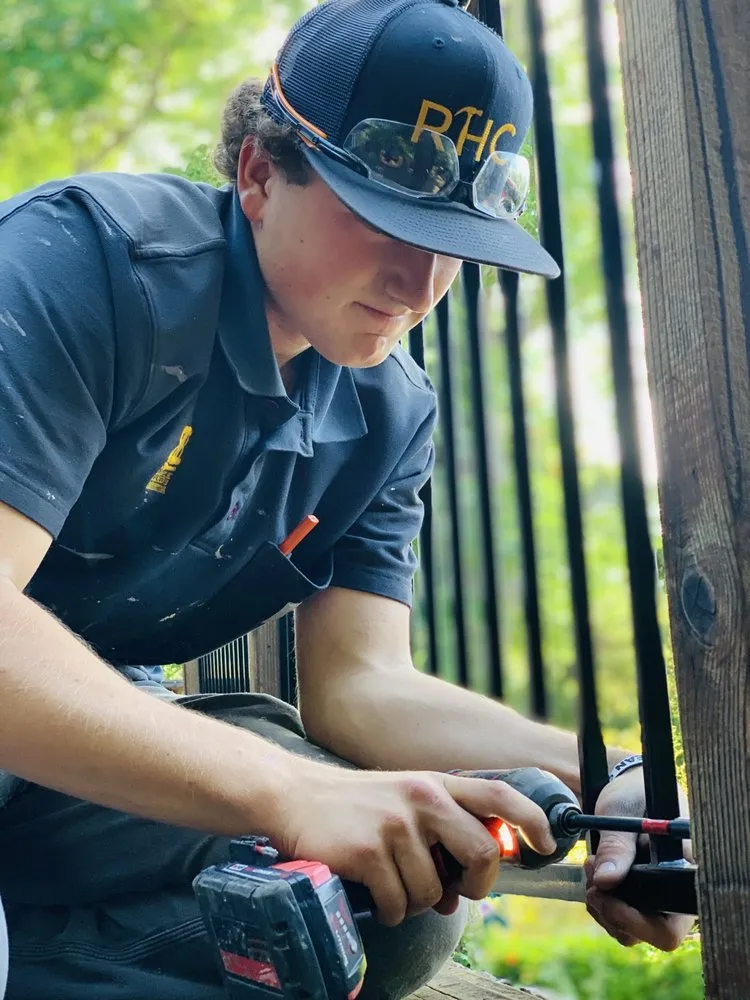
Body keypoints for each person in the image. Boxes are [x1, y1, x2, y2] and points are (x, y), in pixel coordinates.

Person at [0, 0, 692, 996]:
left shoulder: (389, 407)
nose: (420, 281)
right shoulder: (84, 266)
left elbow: (361, 686)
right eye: (384, 219)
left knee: (385, 917)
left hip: (75, 756)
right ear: (257, 173)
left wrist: (608, 774)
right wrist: (292, 790)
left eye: (454, 239)